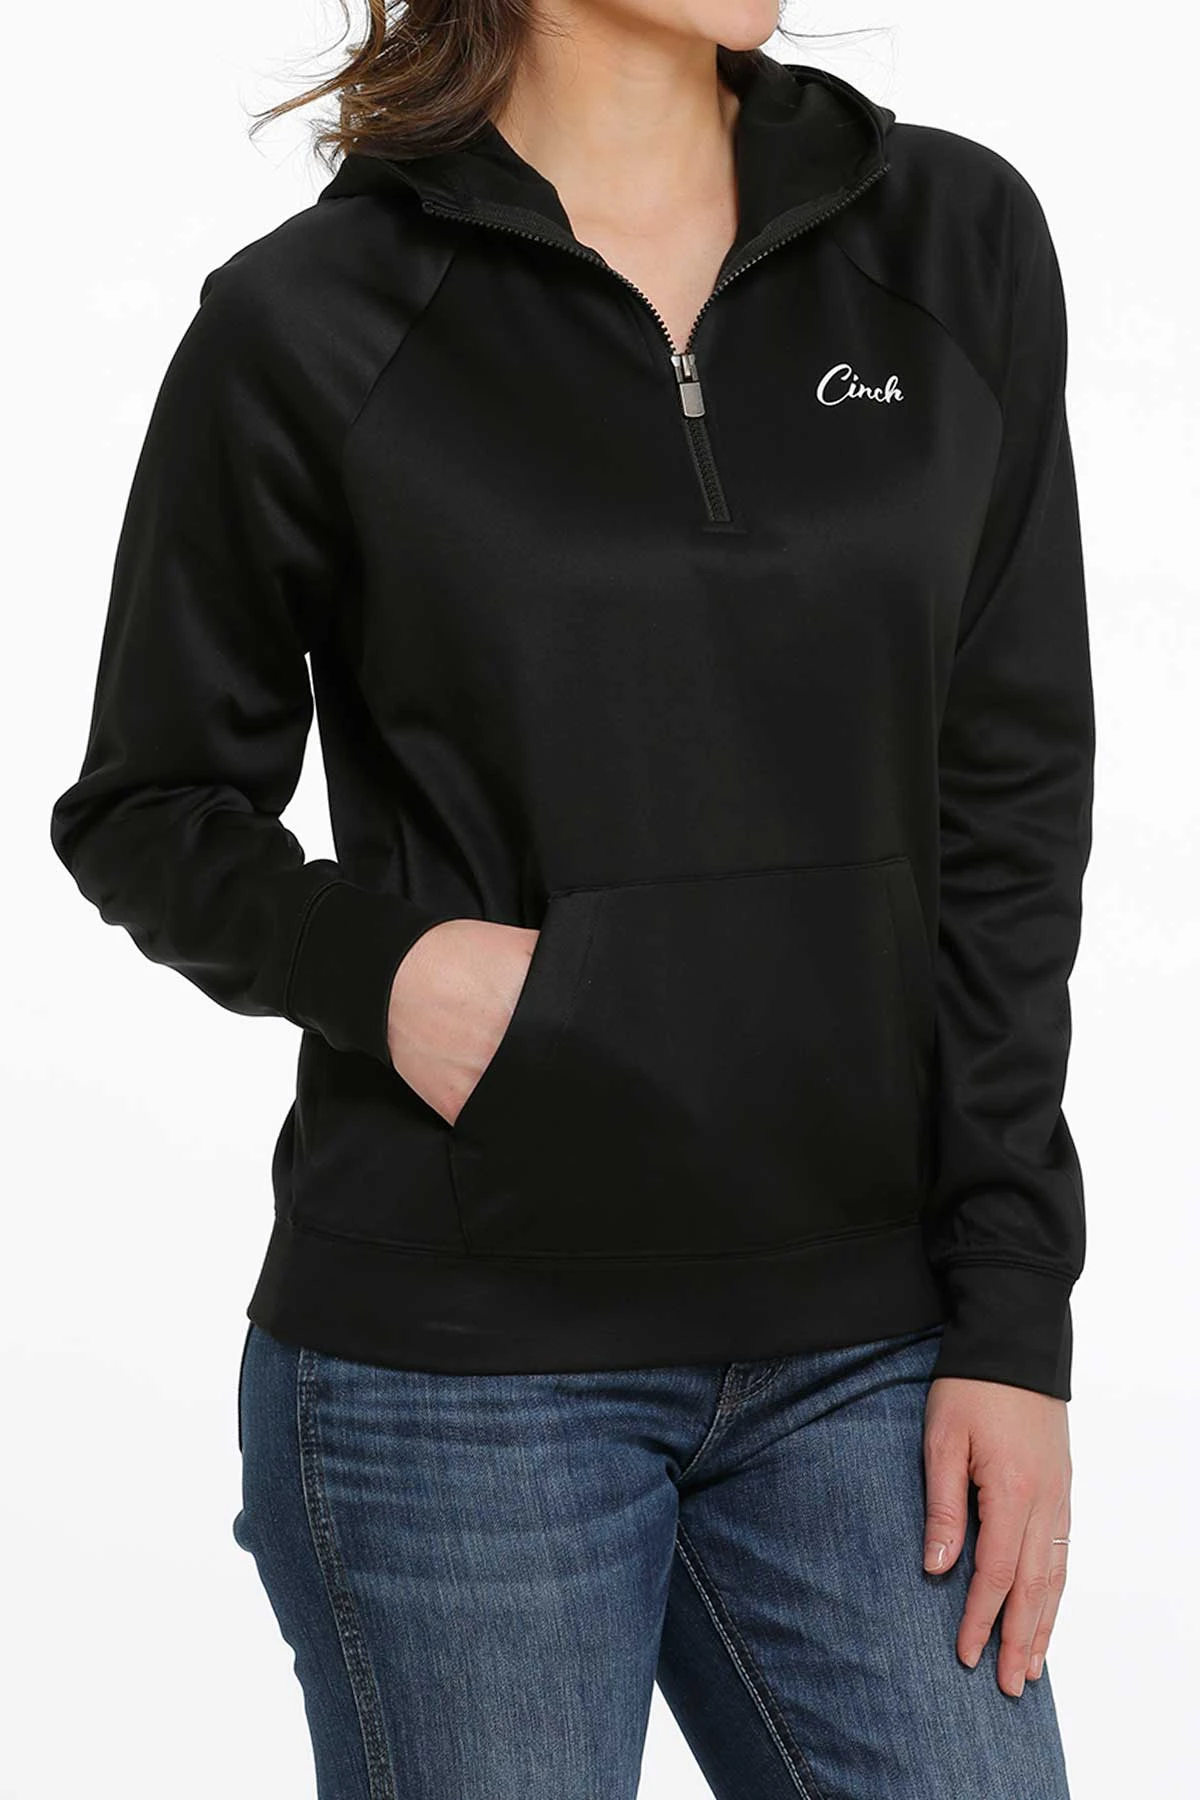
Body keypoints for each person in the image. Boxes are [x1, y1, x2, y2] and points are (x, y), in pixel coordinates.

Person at [48, 0, 1095, 1792]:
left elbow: (1009, 798)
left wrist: (1014, 1317)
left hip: (871, 1350)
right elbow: (147, 806)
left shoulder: (950, 238)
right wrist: (385, 970)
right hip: (459, 1377)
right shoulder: (314, 316)